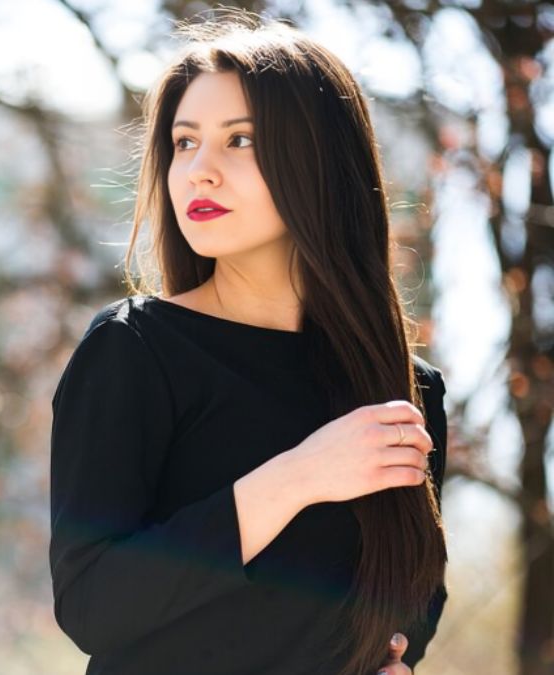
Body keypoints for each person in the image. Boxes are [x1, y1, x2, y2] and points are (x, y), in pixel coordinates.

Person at [48, 9, 448, 675]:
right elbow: (91, 602)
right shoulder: (134, 351)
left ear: (320, 163)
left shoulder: (407, 389)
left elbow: (413, 598)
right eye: (183, 143)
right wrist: (300, 477)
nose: (198, 171)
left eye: (239, 141)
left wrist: (399, 660)